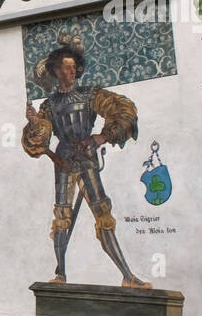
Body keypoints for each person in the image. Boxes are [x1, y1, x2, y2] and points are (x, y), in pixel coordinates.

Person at [22, 41, 151, 288]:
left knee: (102, 213)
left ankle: (127, 276)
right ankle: (60, 274)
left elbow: (123, 108)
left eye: (73, 67)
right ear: (56, 71)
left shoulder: (90, 95)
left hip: (87, 155)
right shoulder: (49, 105)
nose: (71, 72)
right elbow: (39, 140)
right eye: (65, 67)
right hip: (63, 160)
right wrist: (35, 123)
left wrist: (104, 136)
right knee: (62, 216)